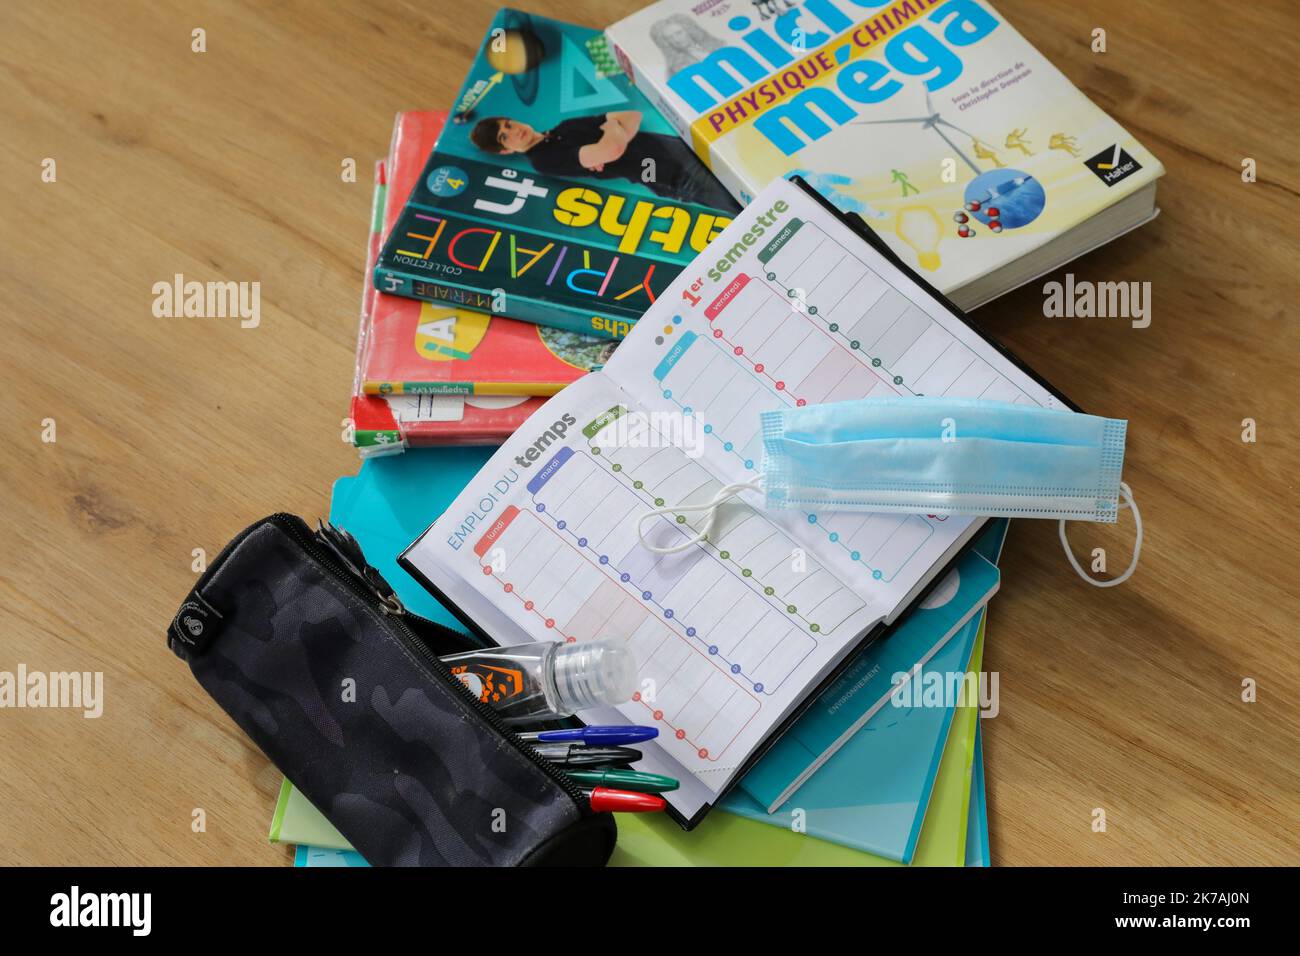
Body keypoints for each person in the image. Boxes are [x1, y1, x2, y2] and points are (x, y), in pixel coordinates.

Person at [469, 110, 738, 211]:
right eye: (505, 137)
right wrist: (611, 131)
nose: (514, 130)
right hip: (673, 177)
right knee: (744, 202)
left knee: (750, 171)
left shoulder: (566, 126)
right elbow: (612, 152)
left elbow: (632, 116)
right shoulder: (544, 160)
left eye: (508, 123)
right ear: (506, 151)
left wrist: (611, 136)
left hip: (681, 148)